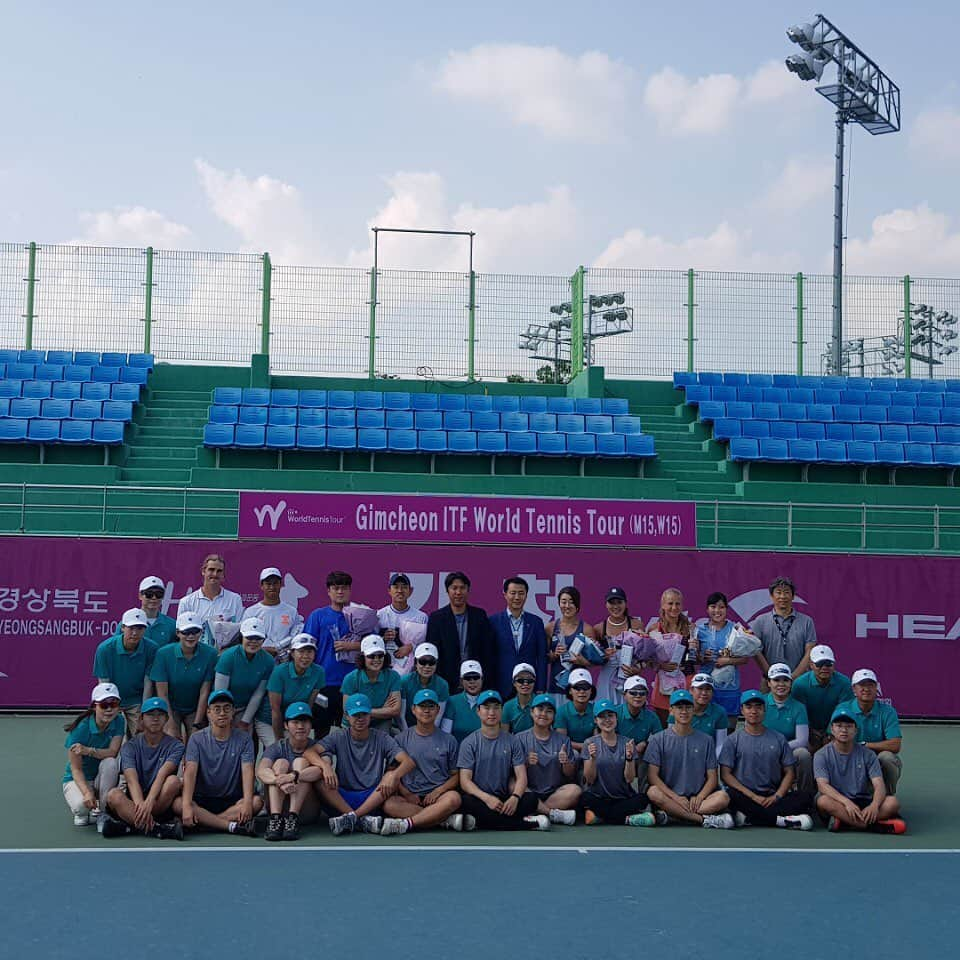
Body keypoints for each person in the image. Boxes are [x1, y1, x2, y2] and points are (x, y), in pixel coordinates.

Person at [303, 693, 415, 836]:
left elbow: (408, 761)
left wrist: (393, 775)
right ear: (347, 716)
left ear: (370, 715)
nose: (360, 719)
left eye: (364, 714)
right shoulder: (339, 736)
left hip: (372, 797)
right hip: (341, 798)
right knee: (319, 778)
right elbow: (309, 752)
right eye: (356, 715)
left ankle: (352, 818)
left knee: (390, 779)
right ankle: (360, 819)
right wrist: (325, 767)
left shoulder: (382, 737)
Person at [719, 690, 814, 830]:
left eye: (758, 707)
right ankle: (780, 821)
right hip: (745, 795)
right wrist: (752, 796)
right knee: (729, 796)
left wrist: (777, 796)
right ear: (742, 711)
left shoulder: (778, 738)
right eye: (749, 707)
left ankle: (750, 818)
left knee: (805, 798)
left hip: (772, 796)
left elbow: (789, 772)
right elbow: (725, 774)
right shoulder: (733, 740)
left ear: (764, 710)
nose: (754, 711)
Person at [173, 689, 263, 835]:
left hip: (231, 799)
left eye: (227, 708)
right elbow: (190, 772)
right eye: (217, 709)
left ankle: (205, 824)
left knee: (256, 802)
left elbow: (248, 771)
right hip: (202, 799)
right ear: (208, 713)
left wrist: (247, 802)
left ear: (233, 712)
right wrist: (187, 805)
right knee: (178, 804)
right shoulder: (196, 739)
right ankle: (229, 826)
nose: (222, 713)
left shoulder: (244, 739)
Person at [456, 690, 547, 831]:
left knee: (531, 799)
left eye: (496, 708)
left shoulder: (513, 741)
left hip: (504, 798)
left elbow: (521, 776)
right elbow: (465, 781)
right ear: (478, 711)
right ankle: (527, 824)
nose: (491, 712)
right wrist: (487, 799)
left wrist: (515, 798)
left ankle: (485, 822)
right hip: (480, 798)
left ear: (501, 711)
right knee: (466, 801)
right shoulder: (469, 743)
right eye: (486, 708)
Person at [380, 689, 467, 834]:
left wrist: (438, 792)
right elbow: (391, 772)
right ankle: (442, 819)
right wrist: (407, 794)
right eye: (422, 707)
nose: (426, 711)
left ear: (438, 710)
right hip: (409, 796)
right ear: (413, 709)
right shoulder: (401, 738)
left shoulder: (449, 740)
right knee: (389, 805)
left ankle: (407, 823)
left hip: (438, 796)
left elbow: (456, 775)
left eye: (431, 707)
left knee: (454, 799)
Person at [645, 690, 733, 829]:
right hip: (670, 797)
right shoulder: (658, 739)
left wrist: (699, 797)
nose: (684, 711)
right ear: (671, 711)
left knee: (723, 798)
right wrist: (676, 798)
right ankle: (702, 820)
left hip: (697, 801)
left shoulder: (707, 740)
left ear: (693, 710)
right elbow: (652, 776)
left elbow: (712, 778)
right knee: (653, 792)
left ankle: (674, 815)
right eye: (679, 707)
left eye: (688, 707)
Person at [101, 697, 185, 839]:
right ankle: (158, 829)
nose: (155, 719)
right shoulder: (129, 747)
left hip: (159, 801)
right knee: (113, 795)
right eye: (150, 714)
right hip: (135, 800)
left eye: (160, 714)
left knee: (173, 781)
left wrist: (150, 801)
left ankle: (129, 827)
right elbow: (131, 779)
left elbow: (162, 774)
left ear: (166, 718)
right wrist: (140, 805)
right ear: (141, 718)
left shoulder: (176, 746)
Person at [814, 705, 905, 833]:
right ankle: (873, 826)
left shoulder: (868, 754)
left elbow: (879, 785)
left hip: (863, 801)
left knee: (893, 803)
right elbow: (823, 786)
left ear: (856, 730)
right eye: (839, 726)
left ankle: (846, 823)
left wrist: (874, 805)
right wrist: (846, 802)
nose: (844, 730)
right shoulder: (821, 755)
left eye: (849, 726)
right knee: (823, 801)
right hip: (838, 801)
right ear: (832, 730)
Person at [257, 701, 325, 841]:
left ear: (311, 725)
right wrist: (279, 780)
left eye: (305, 722)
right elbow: (261, 770)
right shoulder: (278, 746)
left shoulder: (318, 746)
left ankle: (292, 818)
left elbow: (321, 770)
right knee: (281, 763)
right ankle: (275, 819)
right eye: (295, 722)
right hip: (280, 804)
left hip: (306, 809)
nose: (300, 726)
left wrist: (293, 776)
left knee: (301, 764)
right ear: (286, 725)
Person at [582, 699, 654, 827]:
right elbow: (590, 779)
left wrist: (629, 759)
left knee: (642, 799)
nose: (607, 720)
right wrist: (593, 759)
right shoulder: (590, 743)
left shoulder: (627, 743)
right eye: (602, 717)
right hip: (599, 797)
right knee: (584, 798)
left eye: (610, 716)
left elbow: (629, 779)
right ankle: (627, 819)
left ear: (616, 718)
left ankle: (602, 818)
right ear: (595, 720)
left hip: (622, 798)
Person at [150, 611, 218, 742]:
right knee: (170, 738)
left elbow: (205, 692)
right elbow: (162, 693)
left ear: (201, 632)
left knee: (197, 740)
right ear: (178, 633)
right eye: (186, 632)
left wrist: (197, 725)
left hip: (194, 708)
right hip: (171, 707)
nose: (191, 636)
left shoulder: (210, 653)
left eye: (195, 631)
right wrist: (170, 723)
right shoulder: (163, 654)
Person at [62, 683, 124, 827]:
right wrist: (86, 792)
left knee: (110, 762)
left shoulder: (119, 721)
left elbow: (113, 752)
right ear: (94, 707)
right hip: (77, 779)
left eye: (113, 704)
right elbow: (76, 769)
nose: (109, 709)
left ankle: (103, 812)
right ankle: (82, 811)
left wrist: (88, 750)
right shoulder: (79, 730)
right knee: (81, 807)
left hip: (101, 779)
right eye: (104, 705)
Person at [302, 570, 355, 734]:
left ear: (349, 590)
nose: (340, 592)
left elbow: (372, 646)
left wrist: (351, 646)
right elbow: (306, 649)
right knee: (321, 732)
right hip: (323, 684)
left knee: (349, 733)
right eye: (336, 588)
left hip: (350, 685)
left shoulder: (359, 615)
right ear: (328, 591)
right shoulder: (317, 616)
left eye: (344, 588)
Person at [93, 607, 158, 738]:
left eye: (139, 628)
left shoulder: (152, 648)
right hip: (111, 700)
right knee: (112, 739)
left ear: (145, 630)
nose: (135, 633)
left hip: (137, 700)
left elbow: (148, 683)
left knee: (143, 736)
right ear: (122, 628)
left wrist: (143, 712)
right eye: (131, 628)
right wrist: (110, 706)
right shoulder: (104, 649)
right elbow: (104, 685)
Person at [516, 694, 580, 825]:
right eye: (540, 710)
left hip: (554, 793)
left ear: (554, 716)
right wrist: (527, 763)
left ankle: (535, 812)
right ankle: (551, 814)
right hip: (529, 791)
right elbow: (514, 773)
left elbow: (570, 774)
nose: (544, 714)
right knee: (512, 785)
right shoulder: (519, 738)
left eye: (549, 711)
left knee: (575, 790)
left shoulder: (563, 740)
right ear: (532, 712)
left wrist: (565, 762)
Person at [837, 668, 903, 796]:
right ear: (854, 689)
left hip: (876, 758)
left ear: (876, 688)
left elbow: (895, 745)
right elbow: (834, 740)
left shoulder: (888, 711)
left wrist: (865, 745)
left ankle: (886, 798)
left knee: (887, 758)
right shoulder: (843, 708)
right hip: (850, 756)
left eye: (870, 685)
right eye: (862, 685)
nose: (866, 689)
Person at [427, 571, 497, 691]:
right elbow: (433, 653)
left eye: (462, 588)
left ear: (468, 590)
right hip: (447, 683)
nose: (458, 592)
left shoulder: (479, 616)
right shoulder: (437, 618)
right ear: (447, 591)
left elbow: (488, 651)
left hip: (475, 681)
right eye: (454, 588)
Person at [214, 617, 275, 747]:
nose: (253, 642)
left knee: (244, 745)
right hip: (222, 706)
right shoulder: (228, 656)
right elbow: (220, 693)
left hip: (246, 708)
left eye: (258, 638)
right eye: (249, 637)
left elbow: (258, 694)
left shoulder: (268, 661)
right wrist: (225, 717)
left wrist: (245, 721)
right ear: (242, 636)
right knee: (220, 742)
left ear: (263, 640)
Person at [693, 591, 750, 730]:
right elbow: (695, 660)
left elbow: (745, 659)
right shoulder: (699, 630)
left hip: (729, 687)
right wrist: (703, 657)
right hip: (705, 687)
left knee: (729, 728)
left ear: (726, 609)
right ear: (707, 609)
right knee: (704, 727)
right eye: (713, 607)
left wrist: (727, 661)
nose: (717, 611)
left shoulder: (736, 629)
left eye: (721, 607)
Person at [490, 577, 547, 698]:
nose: (517, 597)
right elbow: (490, 656)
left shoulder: (536, 622)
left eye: (521, 593)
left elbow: (542, 657)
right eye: (513, 593)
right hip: (501, 686)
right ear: (505, 594)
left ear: (526, 595)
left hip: (528, 685)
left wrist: (541, 687)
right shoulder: (493, 621)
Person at [752, 576, 818, 680]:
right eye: (778, 592)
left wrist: (794, 676)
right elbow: (756, 651)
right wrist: (772, 676)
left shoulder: (807, 621)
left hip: (800, 680)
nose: (782, 596)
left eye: (787, 592)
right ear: (771, 596)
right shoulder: (760, 621)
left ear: (793, 596)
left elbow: (810, 650)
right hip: (769, 680)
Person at [763, 663, 813, 794]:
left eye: (785, 680)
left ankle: (805, 796)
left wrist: (777, 748)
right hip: (763, 750)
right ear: (769, 683)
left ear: (791, 683)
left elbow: (801, 740)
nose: (781, 684)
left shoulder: (799, 707)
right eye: (776, 680)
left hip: (789, 751)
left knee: (803, 754)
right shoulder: (760, 704)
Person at [791, 644, 853, 749]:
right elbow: (799, 713)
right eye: (819, 664)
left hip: (836, 729)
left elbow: (843, 711)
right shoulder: (800, 684)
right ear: (811, 665)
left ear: (834, 665)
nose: (824, 668)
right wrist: (810, 732)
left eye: (828, 664)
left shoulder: (844, 682)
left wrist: (830, 733)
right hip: (807, 729)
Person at [176, 554, 244, 648]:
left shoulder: (235, 599)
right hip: (198, 655)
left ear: (223, 575)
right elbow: (181, 634)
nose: (215, 574)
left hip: (225, 655)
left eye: (219, 571)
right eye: (211, 570)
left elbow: (240, 632)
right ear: (203, 571)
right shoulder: (186, 602)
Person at [266, 633, 325, 741]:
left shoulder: (319, 672)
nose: (306, 656)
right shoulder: (279, 672)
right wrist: (280, 739)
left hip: (296, 719)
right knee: (277, 751)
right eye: (301, 651)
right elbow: (275, 710)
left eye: (309, 652)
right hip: (270, 719)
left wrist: (301, 730)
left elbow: (308, 706)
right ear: (292, 653)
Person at [592, 586, 646, 704]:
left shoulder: (637, 625)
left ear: (626, 604)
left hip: (629, 678)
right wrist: (602, 657)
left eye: (619, 602)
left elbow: (646, 656)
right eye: (612, 603)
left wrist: (637, 669)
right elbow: (592, 659)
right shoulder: (599, 628)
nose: (615, 606)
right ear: (606, 605)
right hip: (606, 680)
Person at [648, 587, 693, 725]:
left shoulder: (690, 627)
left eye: (677, 604)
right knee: (664, 725)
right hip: (664, 684)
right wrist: (661, 665)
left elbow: (697, 658)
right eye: (670, 603)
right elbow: (648, 660)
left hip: (686, 679)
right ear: (663, 605)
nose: (674, 607)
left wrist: (696, 650)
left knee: (684, 723)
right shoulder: (654, 629)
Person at [340, 634, 402, 732]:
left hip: (380, 722)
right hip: (354, 724)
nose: (376, 660)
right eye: (371, 656)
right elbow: (348, 711)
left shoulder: (393, 676)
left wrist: (361, 710)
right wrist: (382, 709)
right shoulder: (351, 678)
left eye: (380, 655)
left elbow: (395, 710)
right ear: (363, 657)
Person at [546, 585, 598, 696]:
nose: (567, 606)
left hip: (579, 689)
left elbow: (595, 661)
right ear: (559, 604)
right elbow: (544, 658)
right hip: (556, 687)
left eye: (571, 602)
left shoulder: (587, 629)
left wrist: (580, 661)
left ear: (577, 605)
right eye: (563, 602)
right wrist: (555, 654)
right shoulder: (550, 628)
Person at [243, 567, 304, 662]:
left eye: (275, 583)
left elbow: (296, 640)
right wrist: (266, 650)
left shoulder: (291, 611)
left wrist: (282, 651)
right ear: (261, 586)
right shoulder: (251, 612)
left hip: (283, 663)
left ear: (280, 585)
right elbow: (244, 640)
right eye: (268, 584)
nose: (272, 587)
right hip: (257, 661)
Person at [614, 675, 662, 792]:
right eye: (633, 693)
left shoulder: (651, 716)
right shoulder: (614, 713)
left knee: (649, 757)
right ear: (624, 695)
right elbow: (606, 737)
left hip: (640, 754)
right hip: (617, 752)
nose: (638, 696)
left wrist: (646, 743)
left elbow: (660, 739)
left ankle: (643, 795)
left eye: (642, 693)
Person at [103, 575, 176, 648]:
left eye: (159, 594)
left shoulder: (172, 625)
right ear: (140, 595)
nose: (154, 598)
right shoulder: (127, 623)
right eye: (149, 594)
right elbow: (115, 648)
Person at [668, 673, 727, 757]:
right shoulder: (678, 709)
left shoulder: (720, 712)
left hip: (707, 757)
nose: (704, 693)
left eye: (708, 689)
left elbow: (721, 744)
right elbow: (670, 740)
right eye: (700, 688)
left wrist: (712, 763)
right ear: (691, 690)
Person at [378, 573, 428, 661]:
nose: (400, 591)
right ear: (389, 590)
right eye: (396, 587)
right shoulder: (380, 615)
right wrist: (383, 639)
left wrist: (412, 647)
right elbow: (371, 643)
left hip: (411, 668)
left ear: (410, 591)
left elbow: (427, 647)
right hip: (385, 668)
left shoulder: (421, 617)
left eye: (404, 587)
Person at [399, 642, 449, 728]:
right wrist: (407, 735)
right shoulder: (404, 681)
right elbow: (401, 715)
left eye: (431, 662)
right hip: (405, 728)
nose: (427, 666)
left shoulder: (442, 685)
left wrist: (429, 735)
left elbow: (438, 717)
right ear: (416, 663)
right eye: (422, 662)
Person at [441, 660, 484, 743]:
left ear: (482, 679)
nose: (472, 682)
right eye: (467, 678)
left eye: (476, 677)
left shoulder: (488, 702)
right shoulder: (452, 701)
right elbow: (445, 734)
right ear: (461, 681)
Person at [554, 668, 597, 752]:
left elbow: (597, 739)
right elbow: (562, 741)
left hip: (591, 750)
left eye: (586, 687)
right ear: (570, 690)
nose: (582, 691)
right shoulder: (562, 711)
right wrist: (583, 746)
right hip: (569, 750)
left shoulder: (595, 710)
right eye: (577, 687)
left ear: (591, 690)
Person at [501, 662, 537, 733]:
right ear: (514, 683)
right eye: (520, 681)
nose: (525, 684)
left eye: (530, 681)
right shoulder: (507, 706)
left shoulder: (541, 704)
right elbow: (504, 735)